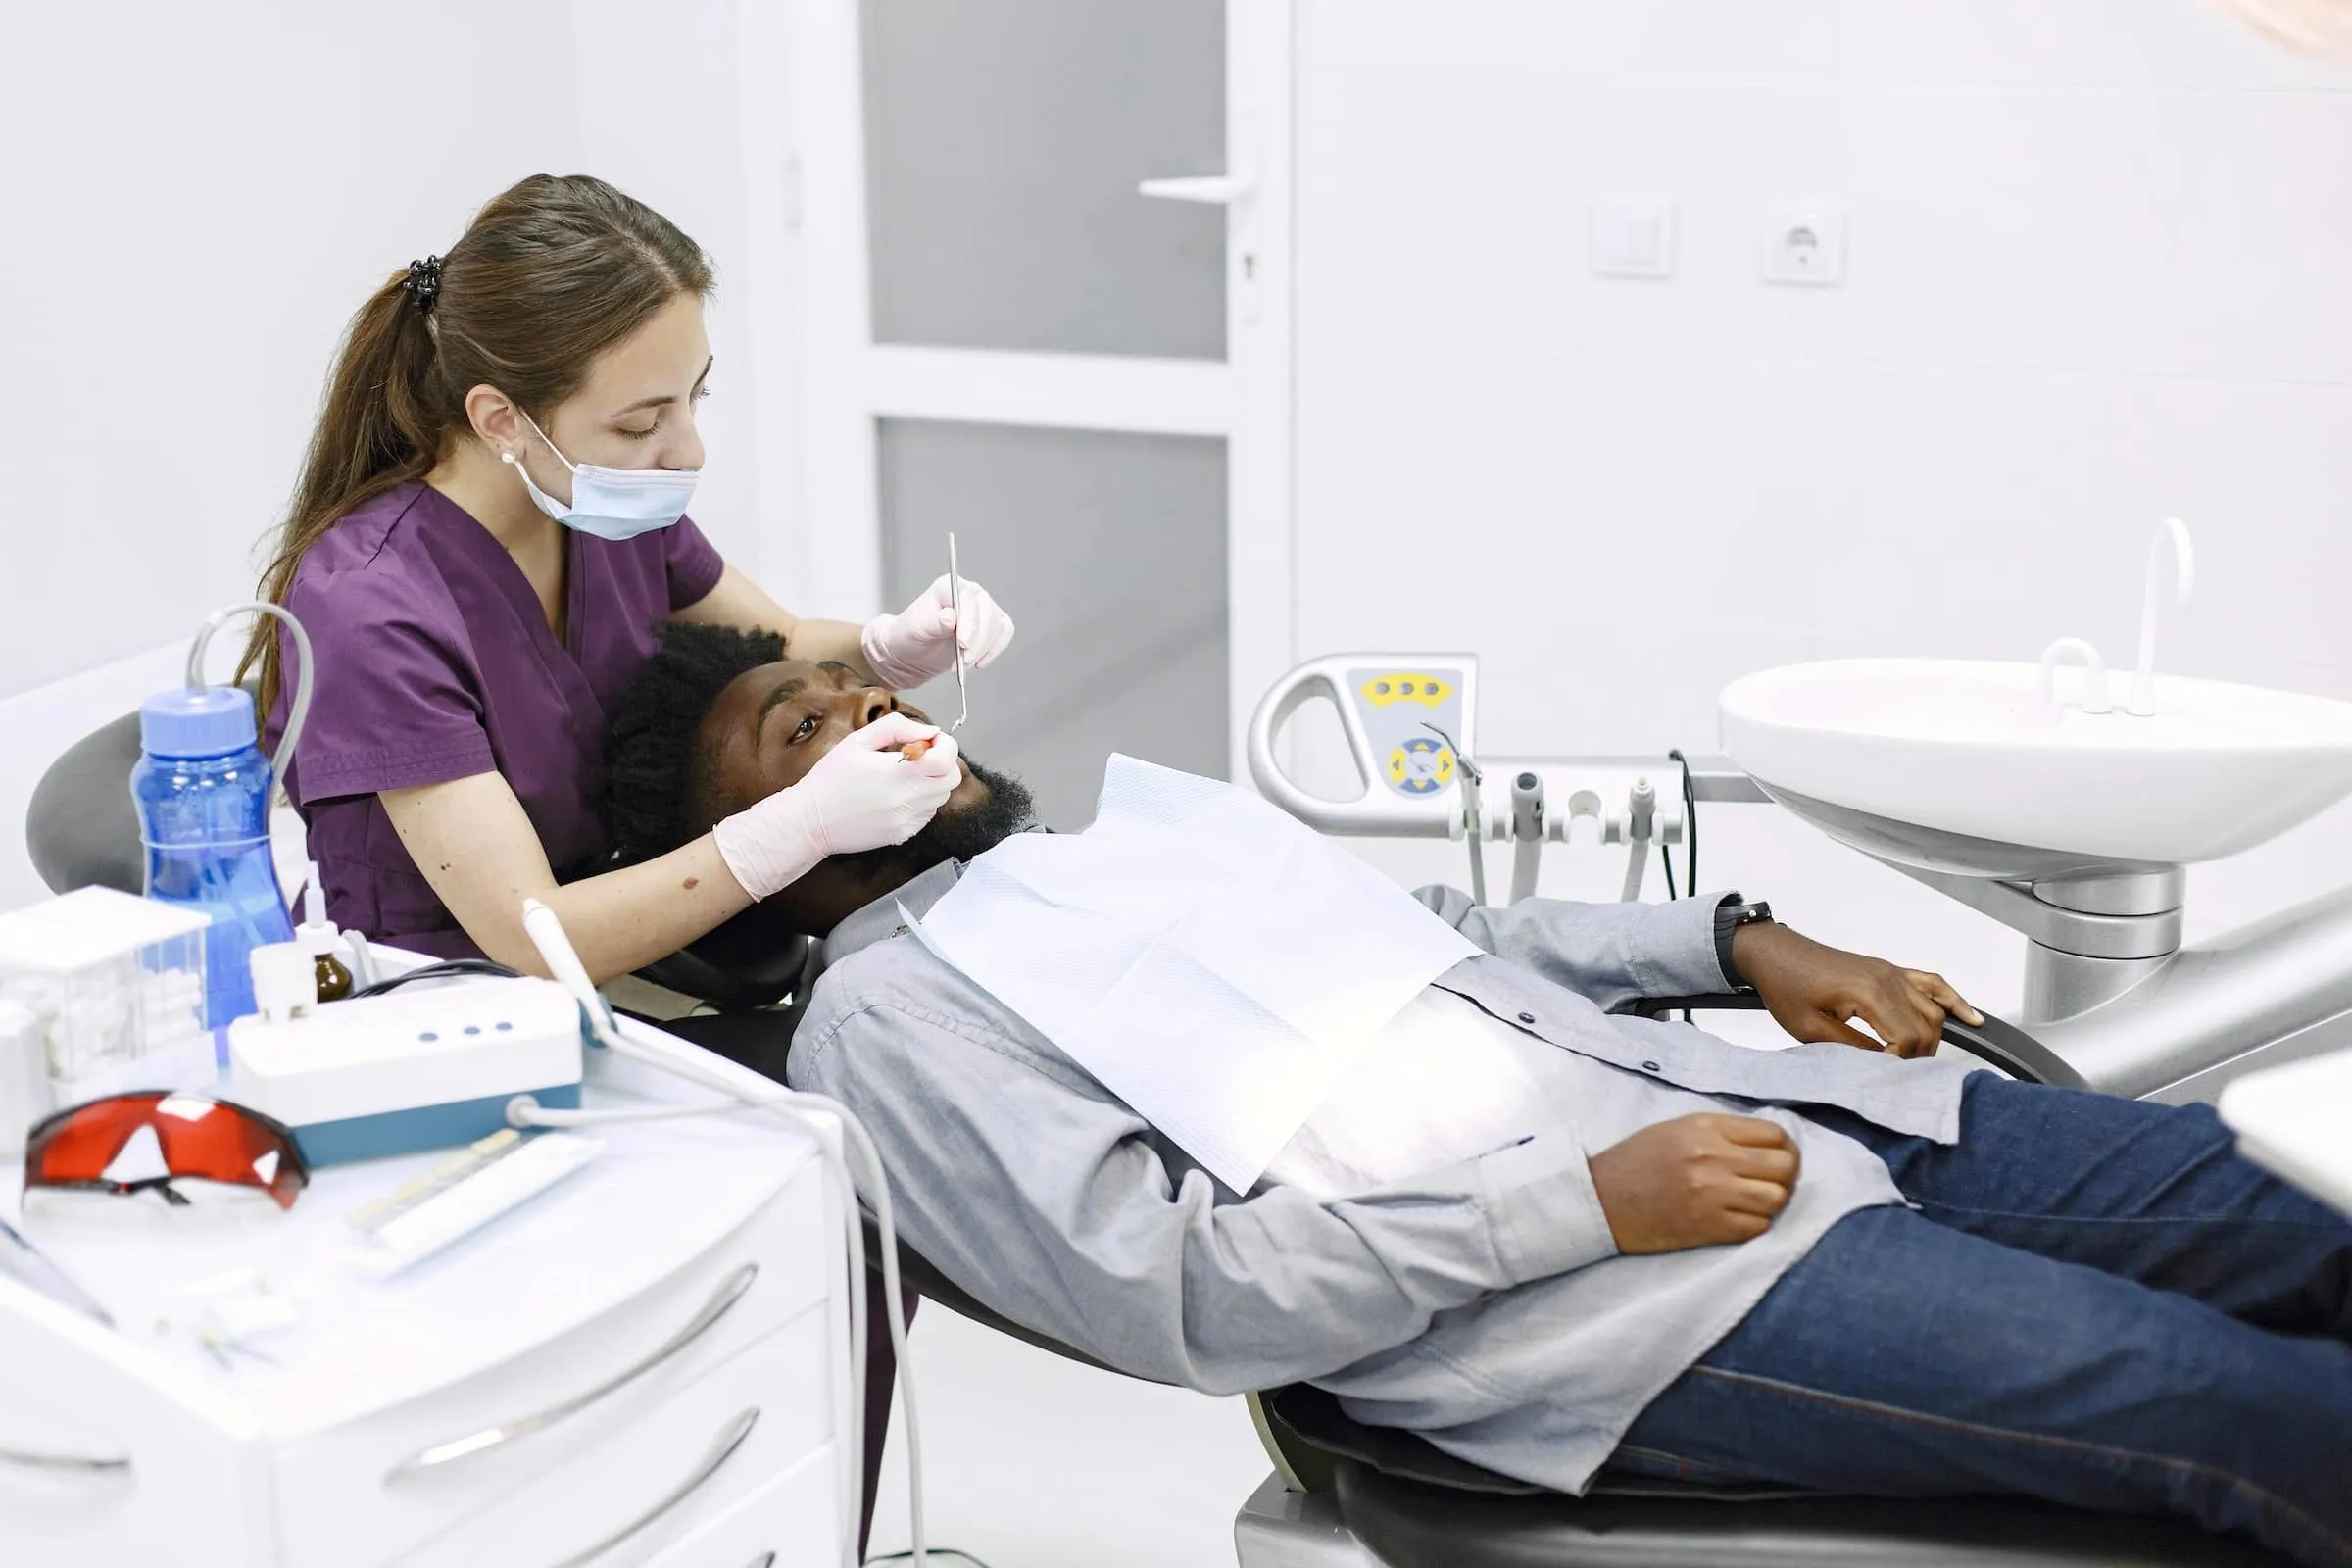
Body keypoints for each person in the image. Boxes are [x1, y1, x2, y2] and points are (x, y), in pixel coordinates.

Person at [603, 622, 2352, 1568]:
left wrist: (1735, 942)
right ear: (760, 856)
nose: (860, 710)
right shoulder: (894, 1027)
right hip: (1636, 1294)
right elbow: (1173, 1289)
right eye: (797, 731)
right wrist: (1591, 1205)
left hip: (1811, 1122)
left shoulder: (1111, 849)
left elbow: (1436, 932)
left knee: (2291, 1206)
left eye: (847, 682)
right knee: (2231, 1405)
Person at [237, 173, 1014, 980]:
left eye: (694, 396)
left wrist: (888, 645)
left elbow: (775, 641)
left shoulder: (602, 507)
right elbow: (528, 932)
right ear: (501, 420)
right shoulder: (371, 608)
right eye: (642, 422)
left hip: (620, 962)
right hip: (434, 1002)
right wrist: (801, 826)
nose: (686, 450)